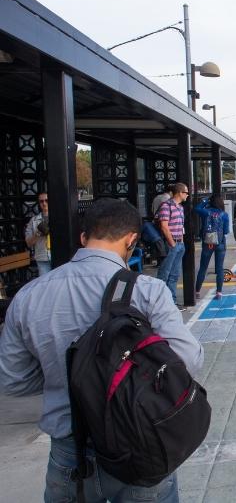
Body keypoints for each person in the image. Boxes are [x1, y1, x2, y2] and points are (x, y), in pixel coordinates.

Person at [0, 198, 203, 502]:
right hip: (138, 445)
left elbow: (13, 380)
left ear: (83, 238)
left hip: (69, 452)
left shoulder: (29, 295)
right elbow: (188, 358)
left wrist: (67, 378)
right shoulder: (146, 290)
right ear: (132, 240)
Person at [156, 182, 189, 307]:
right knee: (164, 274)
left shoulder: (180, 207)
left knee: (174, 275)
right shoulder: (166, 206)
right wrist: (172, 243)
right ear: (180, 193)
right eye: (186, 193)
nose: (187, 195)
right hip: (172, 244)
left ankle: (172, 302)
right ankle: (160, 303)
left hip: (180, 244)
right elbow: (164, 226)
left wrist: (180, 242)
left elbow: (180, 226)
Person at [195, 194, 229, 300]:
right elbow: (226, 231)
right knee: (219, 268)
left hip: (207, 243)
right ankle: (219, 293)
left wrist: (205, 201)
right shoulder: (224, 214)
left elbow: (197, 208)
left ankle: (197, 291)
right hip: (220, 243)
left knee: (203, 268)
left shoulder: (206, 212)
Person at [25, 192, 51, 275]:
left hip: (58, 256)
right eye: (41, 201)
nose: (44, 203)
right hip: (42, 258)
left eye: (47, 200)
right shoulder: (33, 221)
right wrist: (37, 234)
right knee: (45, 285)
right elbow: (28, 243)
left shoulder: (60, 217)